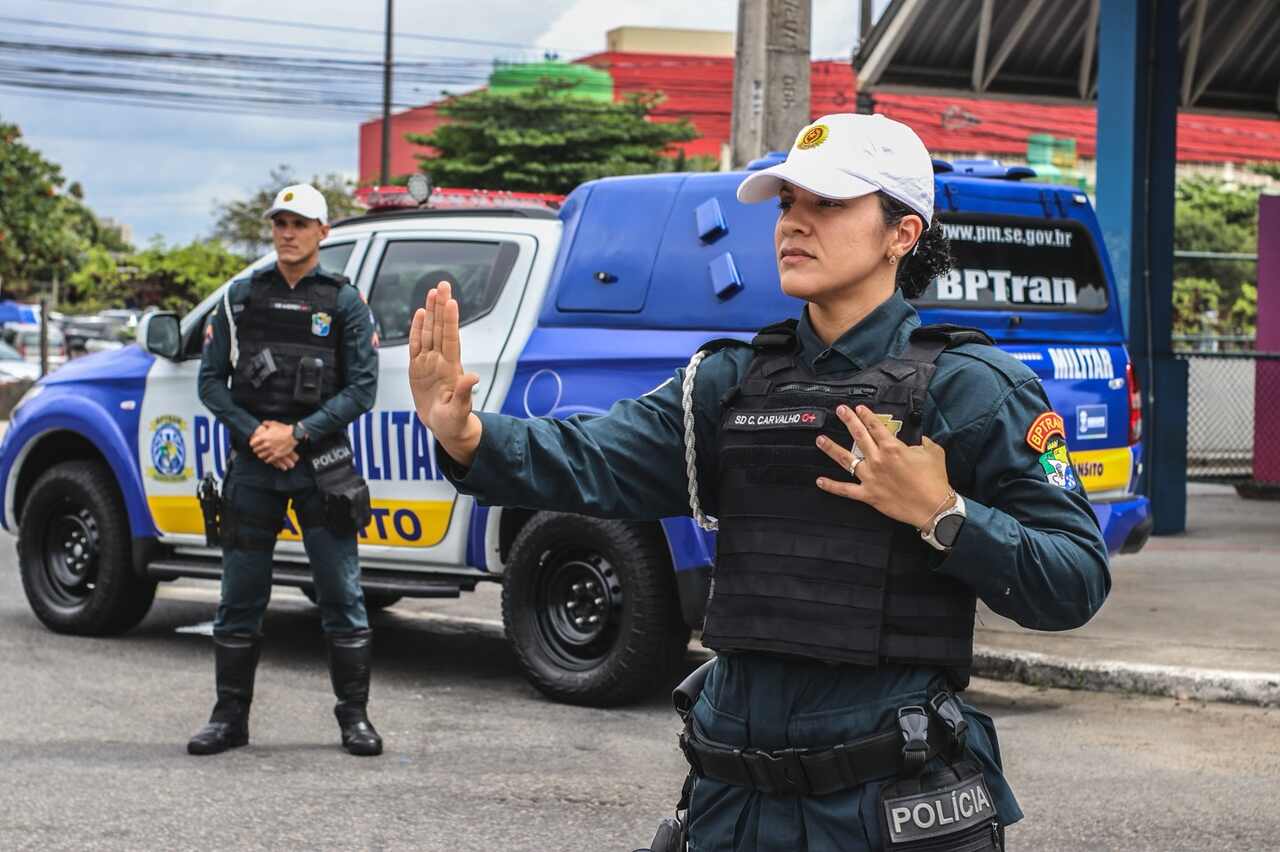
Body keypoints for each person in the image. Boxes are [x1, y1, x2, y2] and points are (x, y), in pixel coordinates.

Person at [410, 114, 1110, 850]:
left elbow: (1073, 579)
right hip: (734, 802)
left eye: (828, 204)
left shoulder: (973, 390)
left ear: (901, 234)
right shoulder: (728, 382)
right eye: (786, 204)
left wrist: (942, 512)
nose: (793, 225)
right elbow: (591, 454)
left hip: (884, 802)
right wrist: (468, 436)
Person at [189, 183, 383, 757]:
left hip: (321, 466)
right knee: (239, 596)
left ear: (323, 232)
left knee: (341, 594)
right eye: (280, 222)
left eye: (300, 223)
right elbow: (208, 382)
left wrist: (296, 433)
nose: (288, 232)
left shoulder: (345, 302)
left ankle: (355, 720)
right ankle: (229, 721)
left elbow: (363, 389)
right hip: (253, 465)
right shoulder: (241, 297)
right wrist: (259, 434)